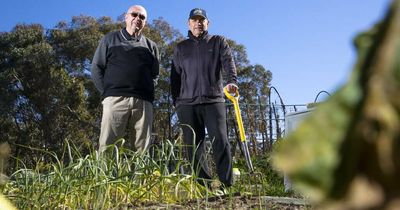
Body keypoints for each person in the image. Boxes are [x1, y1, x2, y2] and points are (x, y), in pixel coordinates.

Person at [171, 8, 238, 188]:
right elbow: (175, 77)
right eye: (194, 20)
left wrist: (232, 81)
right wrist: (176, 102)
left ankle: (226, 185)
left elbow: (228, 62)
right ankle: (204, 187)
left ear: (208, 23)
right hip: (187, 104)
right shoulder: (181, 48)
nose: (198, 23)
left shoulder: (218, 42)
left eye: (202, 20)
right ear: (189, 23)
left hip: (213, 100)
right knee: (193, 146)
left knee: (221, 141)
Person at [91, 5, 159, 154]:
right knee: (108, 146)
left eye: (142, 17)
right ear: (126, 17)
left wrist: (146, 91)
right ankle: (104, 178)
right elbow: (96, 68)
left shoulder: (151, 46)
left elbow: (154, 75)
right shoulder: (109, 39)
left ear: (145, 22)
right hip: (115, 100)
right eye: (134, 14)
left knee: (142, 150)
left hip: (143, 103)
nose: (137, 19)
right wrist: (107, 93)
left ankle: (141, 178)